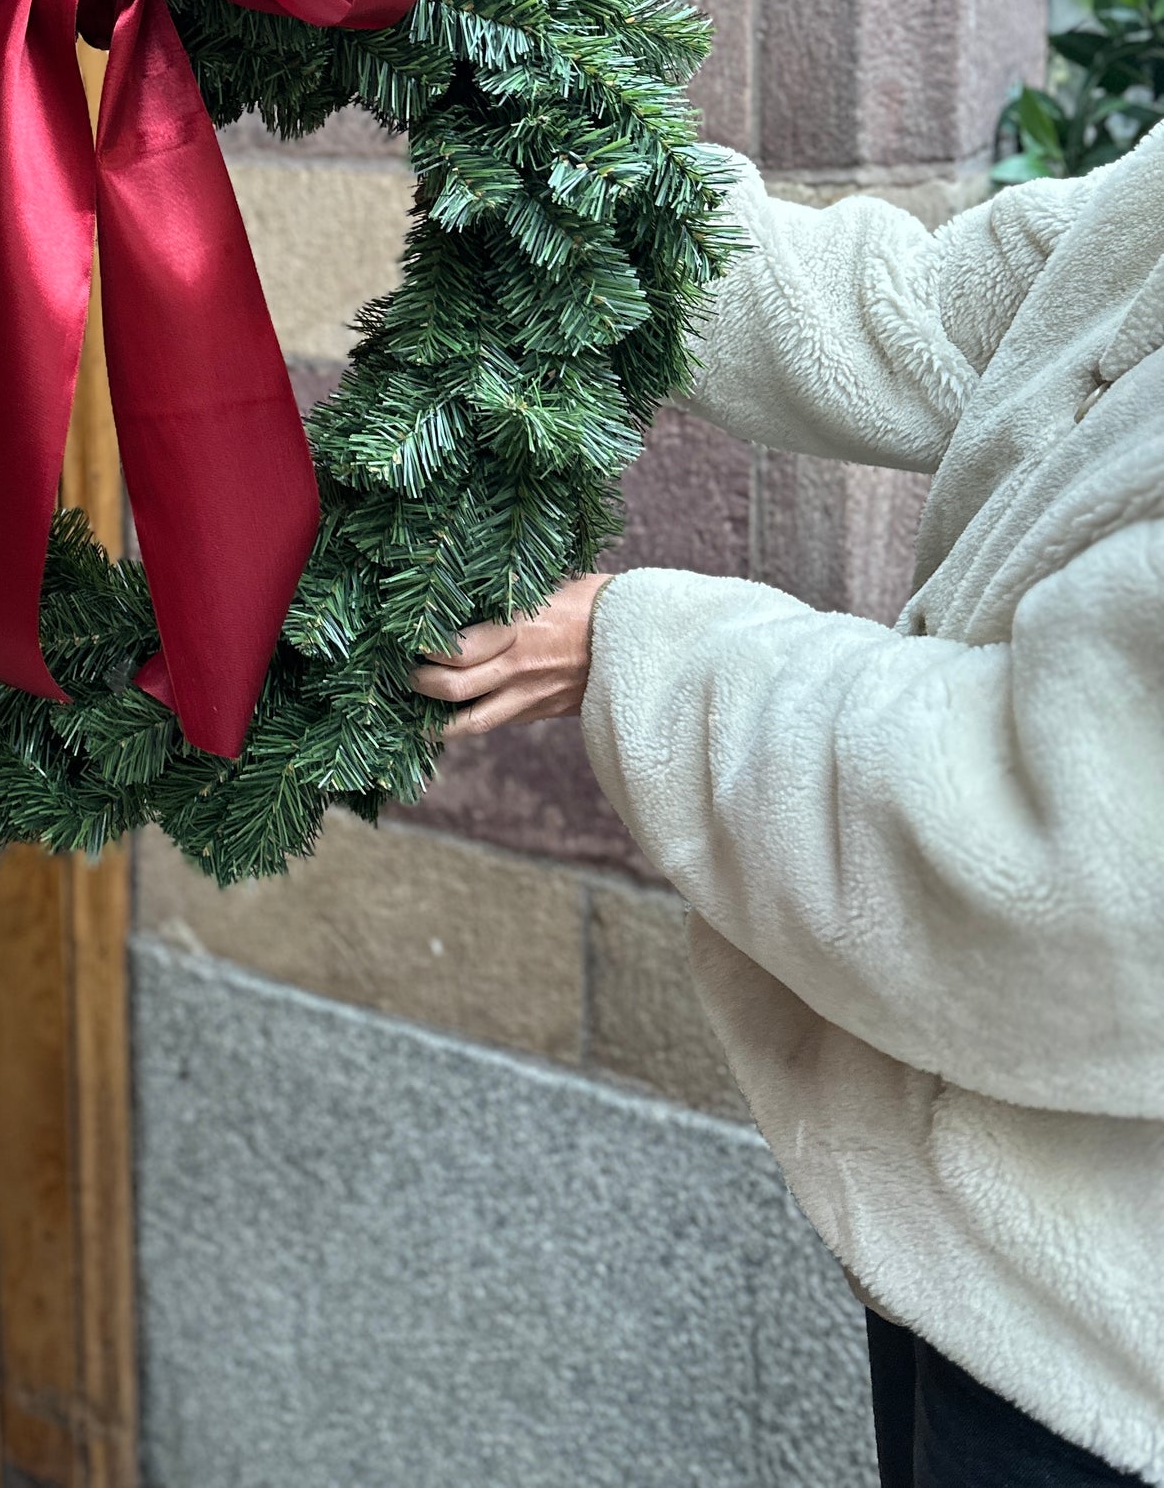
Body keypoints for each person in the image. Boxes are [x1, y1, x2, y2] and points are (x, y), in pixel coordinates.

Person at [413, 133, 1164, 1488]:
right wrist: (571, 148)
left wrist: (633, 652)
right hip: (983, 1252)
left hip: (1111, 1362)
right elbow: (942, 309)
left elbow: (1076, 853)